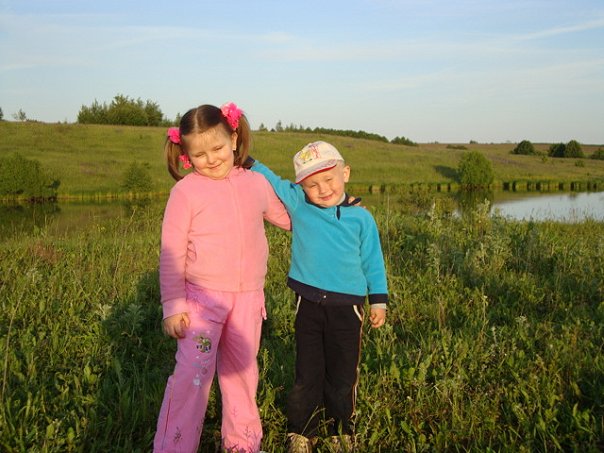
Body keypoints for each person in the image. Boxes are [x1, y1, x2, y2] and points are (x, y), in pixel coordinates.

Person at [154, 102, 291, 453]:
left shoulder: (256, 183)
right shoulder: (185, 192)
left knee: (241, 376)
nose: (211, 159)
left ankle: (242, 445)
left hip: (248, 300)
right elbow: (171, 253)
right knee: (191, 377)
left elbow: (289, 218)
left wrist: (332, 210)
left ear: (233, 139)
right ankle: (173, 447)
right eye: (199, 154)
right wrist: (173, 305)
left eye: (217, 148)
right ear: (186, 156)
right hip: (201, 302)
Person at [249, 141, 388, 452]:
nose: (323, 189)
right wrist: (249, 161)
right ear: (302, 186)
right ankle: (301, 431)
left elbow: (373, 260)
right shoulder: (300, 204)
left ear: (345, 173)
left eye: (329, 179)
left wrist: (378, 300)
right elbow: (274, 181)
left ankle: (341, 429)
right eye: (312, 184)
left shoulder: (362, 218)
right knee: (307, 371)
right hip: (308, 303)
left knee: (343, 372)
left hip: (347, 307)